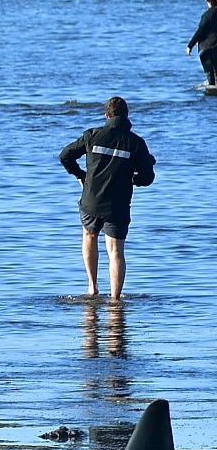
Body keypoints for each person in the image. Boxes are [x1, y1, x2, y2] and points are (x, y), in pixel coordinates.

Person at [59, 97, 155, 302]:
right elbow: (147, 178)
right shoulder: (136, 143)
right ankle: (115, 298)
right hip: (117, 205)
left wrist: (81, 175)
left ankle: (92, 286)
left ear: (106, 116)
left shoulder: (92, 135)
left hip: (91, 201)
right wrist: (134, 178)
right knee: (116, 251)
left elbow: (65, 156)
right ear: (127, 116)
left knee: (89, 236)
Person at [187, 0, 217, 87]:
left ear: (209, 1)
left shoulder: (207, 15)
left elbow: (200, 31)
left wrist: (190, 45)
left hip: (206, 49)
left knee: (211, 81)